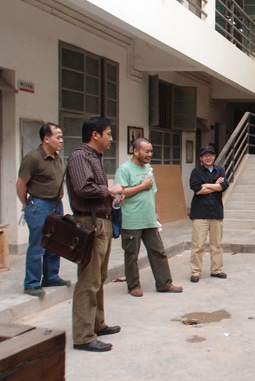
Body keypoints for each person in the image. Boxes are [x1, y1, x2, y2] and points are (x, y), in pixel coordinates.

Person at [67, 116, 124, 352]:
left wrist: (112, 197)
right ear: (95, 135)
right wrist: (108, 191)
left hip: (102, 221)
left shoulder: (94, 157)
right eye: (108, 134)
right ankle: (83, 336)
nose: (111, 139)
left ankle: (97, 323)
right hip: (90, 223)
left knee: (99, 278)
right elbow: (83, 188)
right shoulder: (80, 157)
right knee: (88, 280)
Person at [115, 137, 183, 297]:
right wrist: (142, 186)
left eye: (151, 151)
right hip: (132, 220)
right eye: (147, 151)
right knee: (131, 255)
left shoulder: (148, 169)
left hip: (149, 220)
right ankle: (133, 286)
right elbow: (121, 192)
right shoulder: (124, 169)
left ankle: (165, 283)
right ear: (136, 151)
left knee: (158, 251)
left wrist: (157, 213)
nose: (150, 154)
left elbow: (153, 192)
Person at [16, 123, 70, 297]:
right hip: (39, 205)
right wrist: (25, 203)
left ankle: (51, 277)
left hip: (56, 204)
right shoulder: (32, 158)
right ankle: (31, 283)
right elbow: (21, 184)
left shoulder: (57, 158)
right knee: (38, 244)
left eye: (62, 137)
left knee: (55, 242)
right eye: (58, 137)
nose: (61, 141)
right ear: (46, 139)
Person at [189, 145, 229, 283]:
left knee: (216, 244)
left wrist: (206, 185)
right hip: (200, 213)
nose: (208, 157)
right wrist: (215, 186)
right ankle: (195, 271)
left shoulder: (220, 170)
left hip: (216, 212)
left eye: (211, 155)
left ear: (214, 156)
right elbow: (197, 189)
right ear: (201, 158)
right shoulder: (196, 172)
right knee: (198, 245)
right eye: (205, 155)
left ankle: (216, 270)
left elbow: (224, 186)